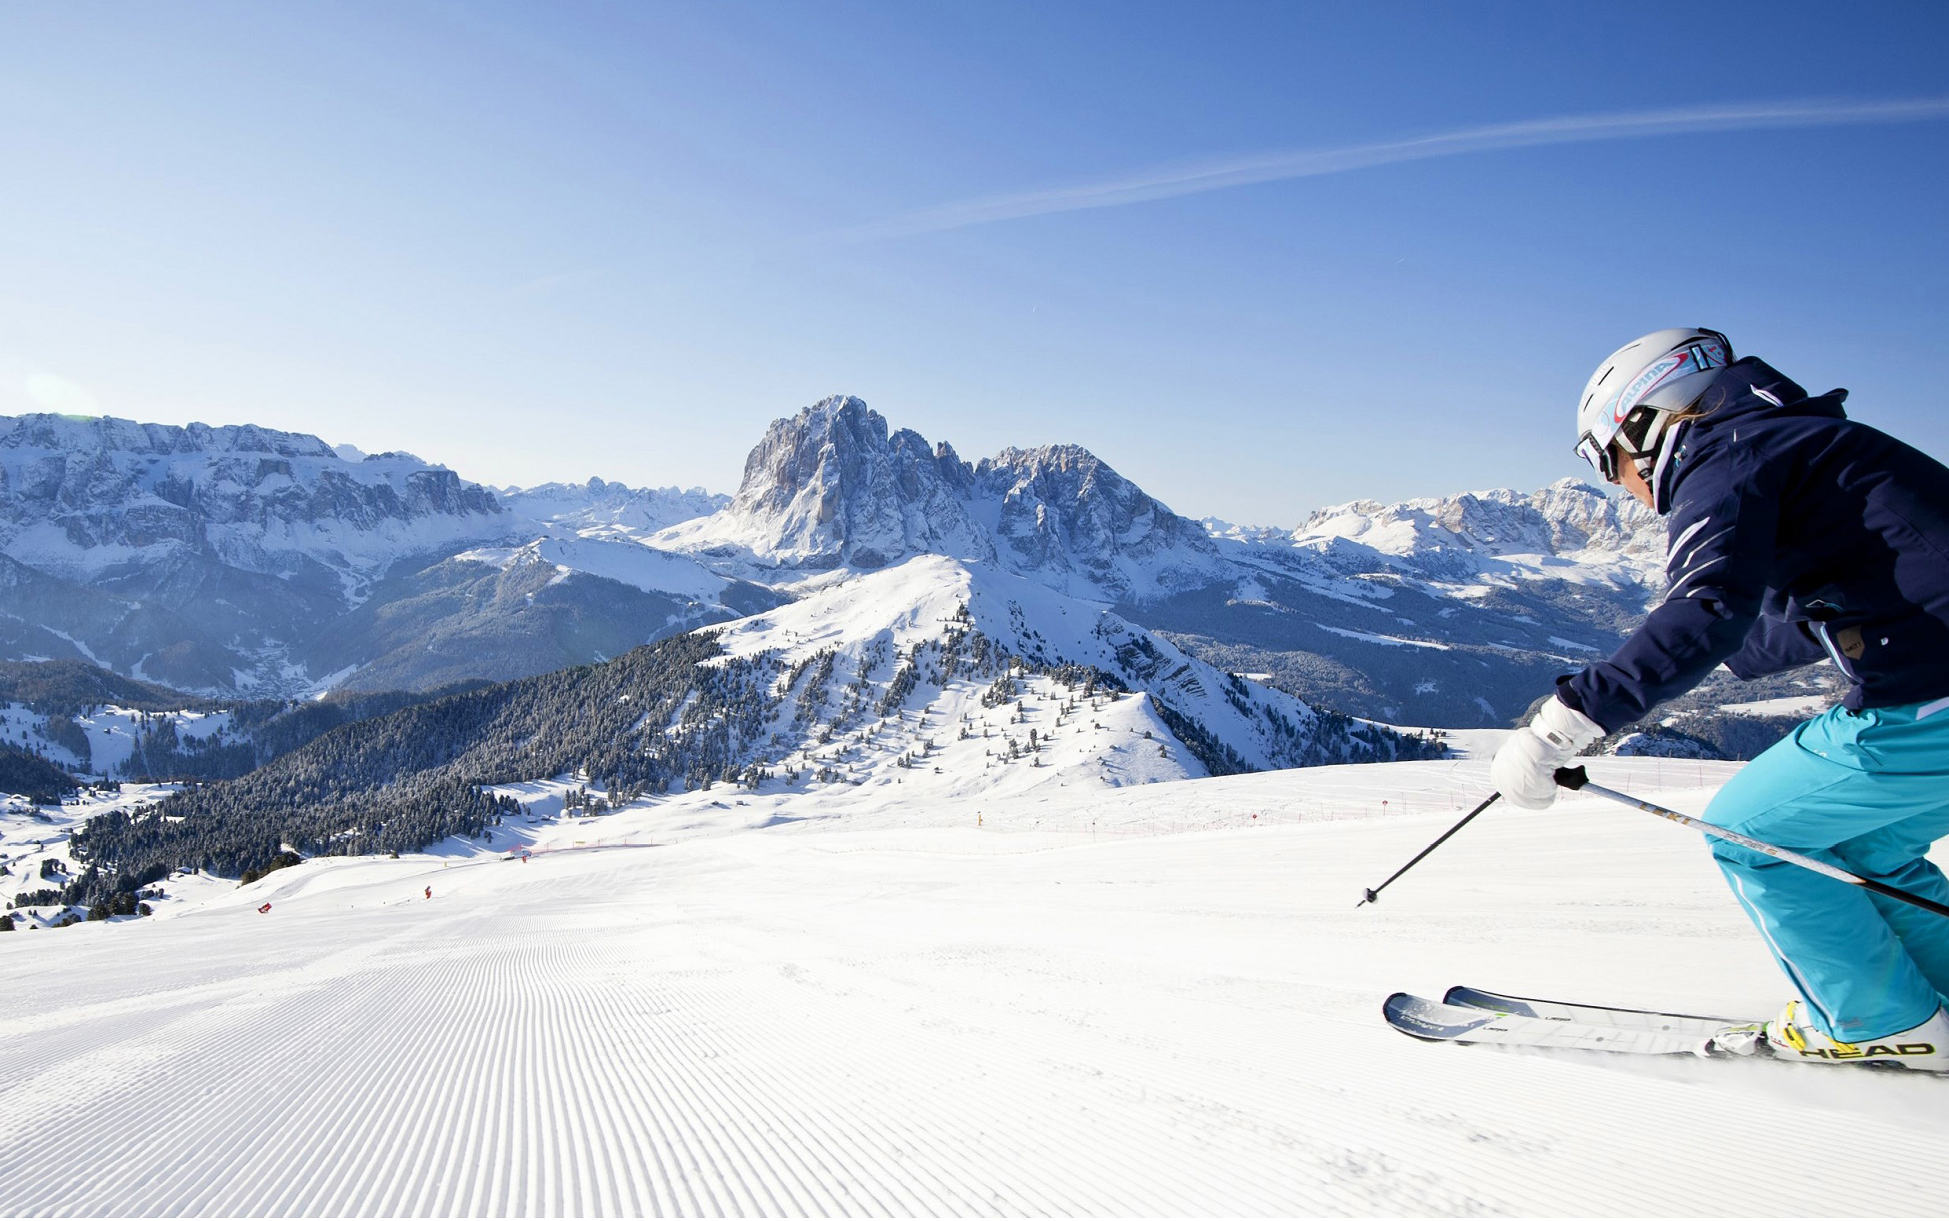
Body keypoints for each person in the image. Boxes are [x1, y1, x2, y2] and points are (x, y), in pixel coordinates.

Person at [1490, 327, 1949, 1069]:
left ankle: (1875, 1020)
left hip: (1933, 699)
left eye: (1604, 458)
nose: (1616, 484)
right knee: (1866, 847)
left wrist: (1562, 724)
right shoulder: (1794, 440)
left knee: (1750, 832)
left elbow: (1704, 607)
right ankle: (1931, 1000)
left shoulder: (1725, 454)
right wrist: (1692, 664)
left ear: (1644, 422)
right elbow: (1830, 605)